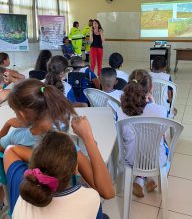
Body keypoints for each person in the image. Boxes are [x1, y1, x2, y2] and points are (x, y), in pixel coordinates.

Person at [0, 79, 114, 212]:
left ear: (21, 114)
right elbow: (107, 192)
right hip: (66, 206)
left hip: (30, 202)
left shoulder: (17, 137)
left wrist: (8, 124)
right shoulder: (66, 147)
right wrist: (88, 137)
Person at [3, 131, 104, 218]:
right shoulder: (91, 198)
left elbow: (10, 150)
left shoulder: (21, 188)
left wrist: (44, 159)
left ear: (33, 162)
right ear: (75, 169)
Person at [117, 69, 167, 198]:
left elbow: (122, 137)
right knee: (159, 143)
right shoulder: (161, 111)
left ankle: (140, 179)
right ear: (151, 88)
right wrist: (154, 103)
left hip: (130, 159)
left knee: (137, 145)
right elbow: (163, 137)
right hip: (156, 160)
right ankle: (147, 178)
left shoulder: (121, 110)